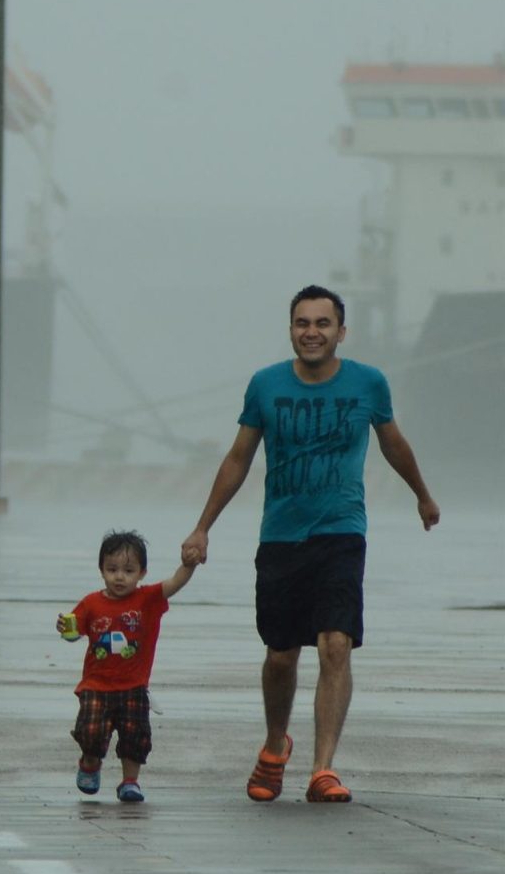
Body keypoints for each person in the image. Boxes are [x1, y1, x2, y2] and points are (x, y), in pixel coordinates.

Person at [180, 284, 439, 804]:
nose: (312, 332)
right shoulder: (265, 386)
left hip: (342, 531)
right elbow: (238, 459)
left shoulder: (369, 383)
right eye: (303, 323)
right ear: (291, 329)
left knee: (335, 644)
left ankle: (323, 769)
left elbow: (393, 442)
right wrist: (202, 525)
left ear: (341, 332)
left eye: (323, 323)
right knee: (281, 654)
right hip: (280, 535)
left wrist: (422, 496)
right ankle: (276, 745)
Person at [58, 530, 200, 803]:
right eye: (112, 570)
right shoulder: (91, 602)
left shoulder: (148, 599)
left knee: (135, 736)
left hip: (134, 686)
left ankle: (130, 781)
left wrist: (189, 564)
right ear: (101, 570)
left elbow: (175, 583)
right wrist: (65, 628)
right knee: (90, 731)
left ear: (142, 572)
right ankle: (90, 763)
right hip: (96, 686)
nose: (119, 577)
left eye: (128, 570)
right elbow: (74, 631)